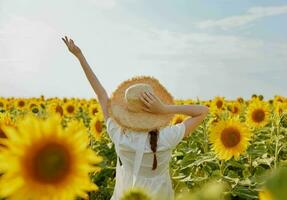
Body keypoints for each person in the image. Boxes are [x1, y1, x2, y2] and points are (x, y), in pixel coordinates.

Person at [62, 36, 210, 200]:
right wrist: (165, 109)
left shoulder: (119, 136)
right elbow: (203, 111)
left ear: (127, 114)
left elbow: (101, 95)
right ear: (154, 112)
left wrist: (79, 56)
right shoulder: (166, 138)